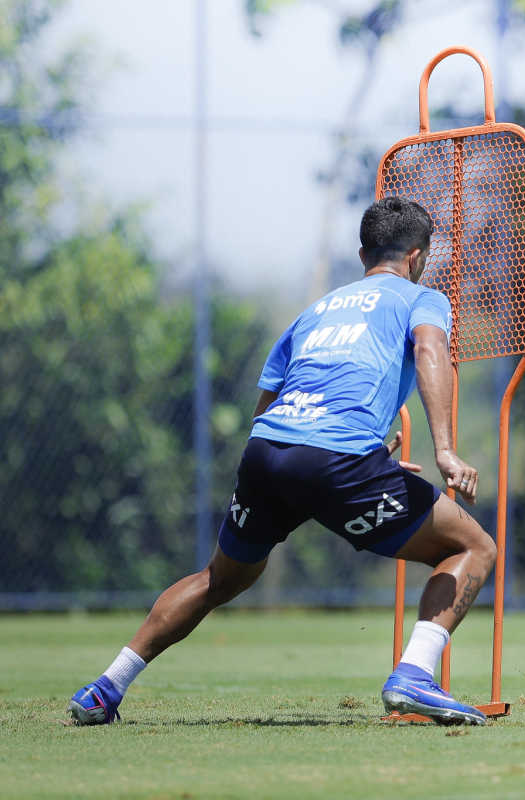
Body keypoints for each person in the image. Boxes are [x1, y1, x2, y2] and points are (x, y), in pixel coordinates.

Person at [69, 197, 495, 726]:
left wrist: (361, 460)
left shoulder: (314, 312)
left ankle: (105, 688)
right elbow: (431, 353)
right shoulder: (421, 297)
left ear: (363, 253)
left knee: (217, 580)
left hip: (267, 452)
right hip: (337, 460)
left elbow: (267, 408)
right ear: (417, 256)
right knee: (473, 546)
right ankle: (414, 676)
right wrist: (444, 451)